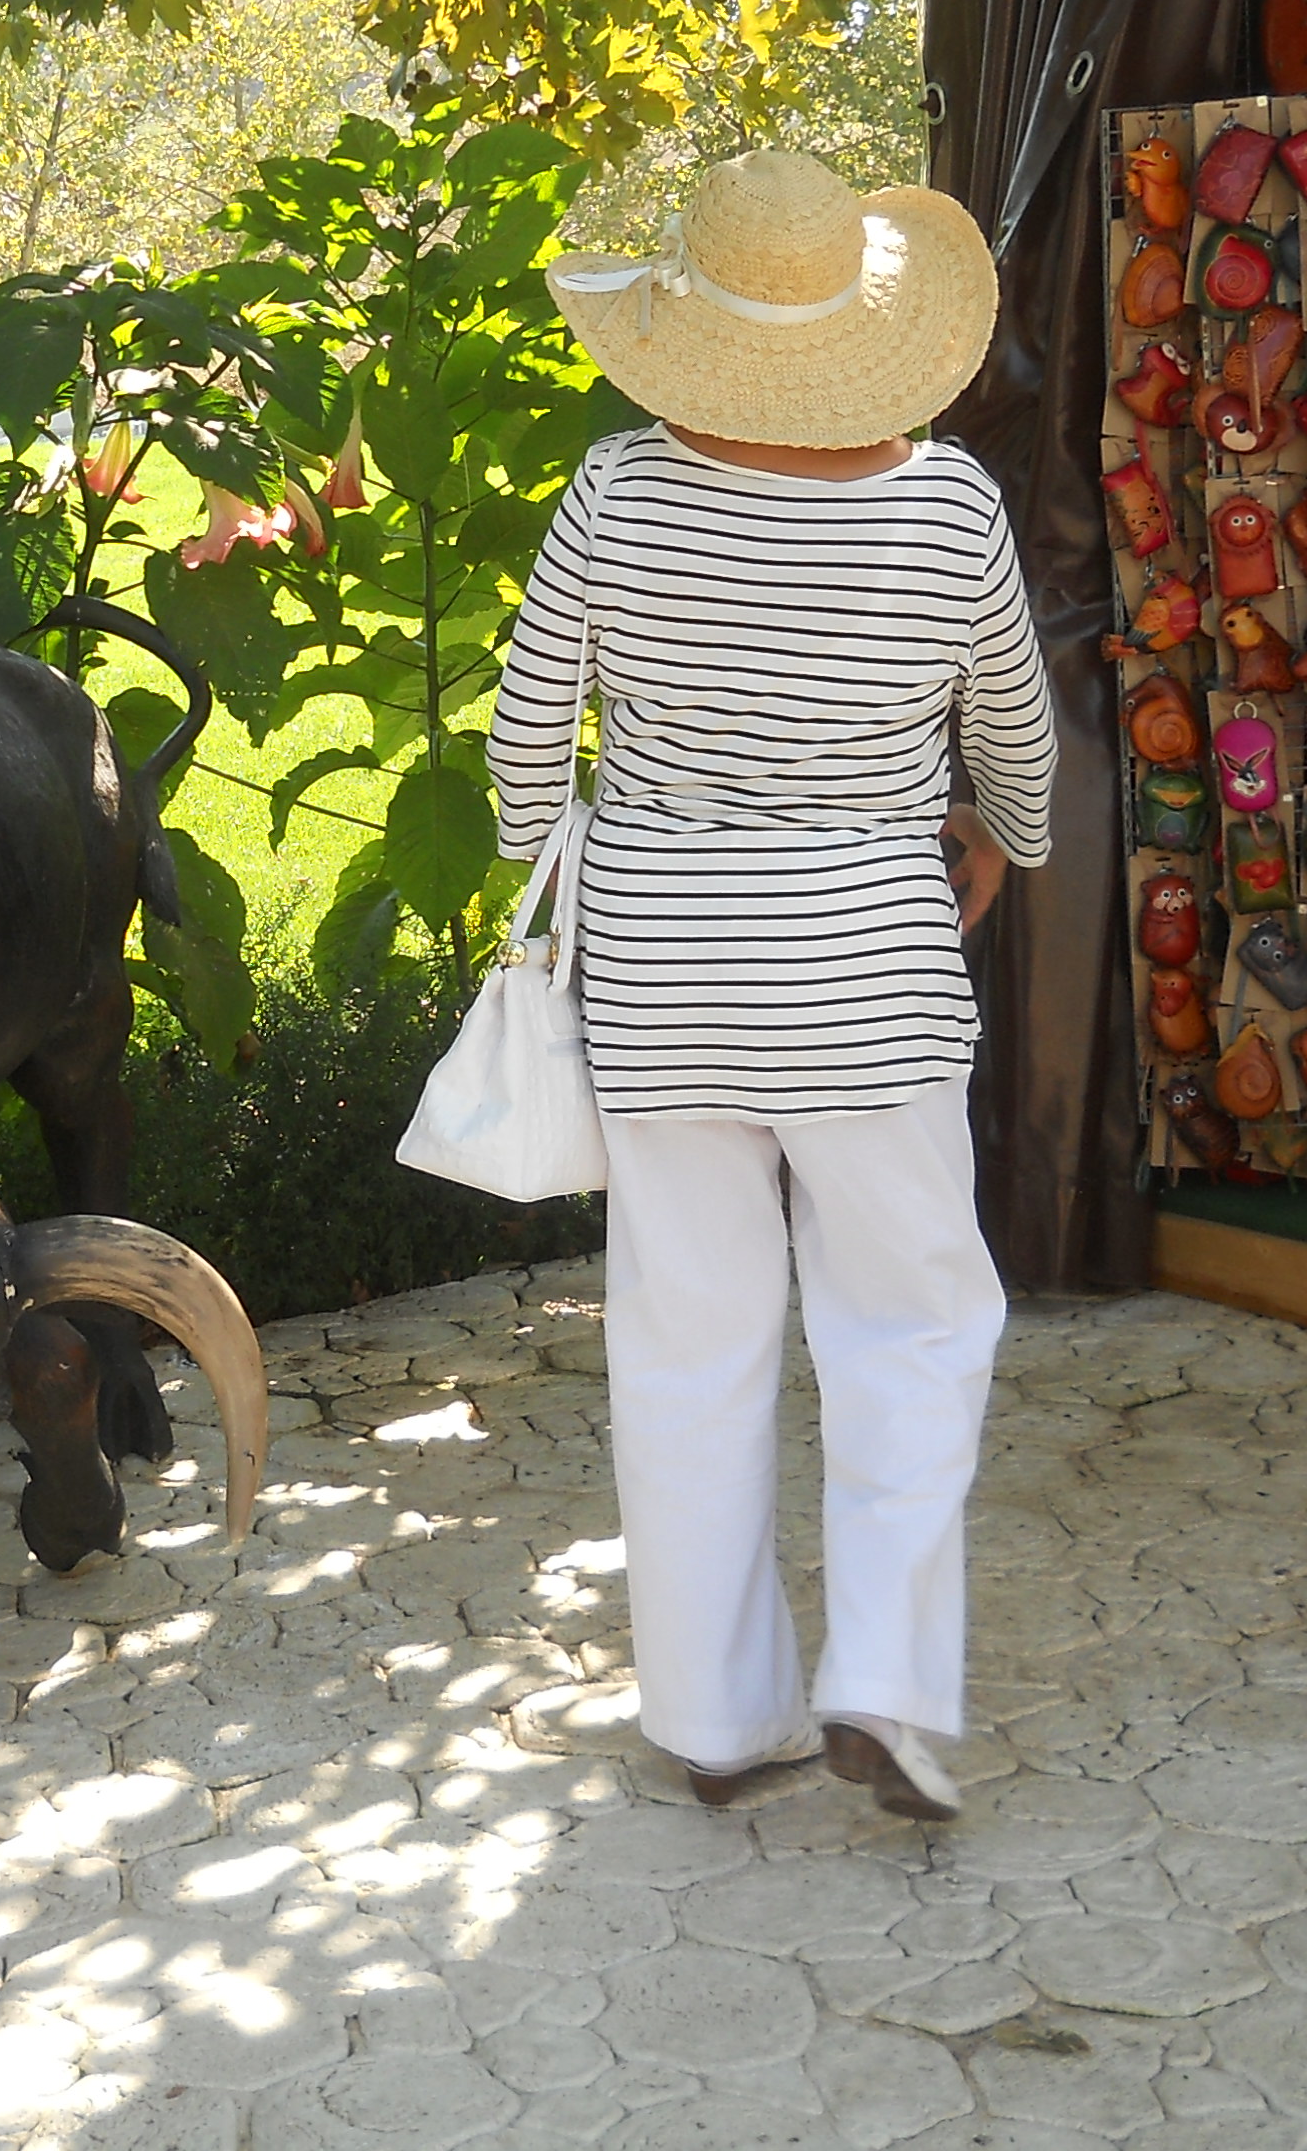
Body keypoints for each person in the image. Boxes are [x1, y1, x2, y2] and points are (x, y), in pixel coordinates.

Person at [488, 147, 1057, 1821]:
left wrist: (543, 881)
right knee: (915, 1326)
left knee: (688, 1344)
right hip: (872, 970)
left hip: (662, 975)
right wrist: (1003, 840)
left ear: (693, 327)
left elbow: (527, 734)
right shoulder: (948, 509)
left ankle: (717, 1719)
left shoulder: (618, 493)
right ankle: (885, 1680)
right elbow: (1016, 733)